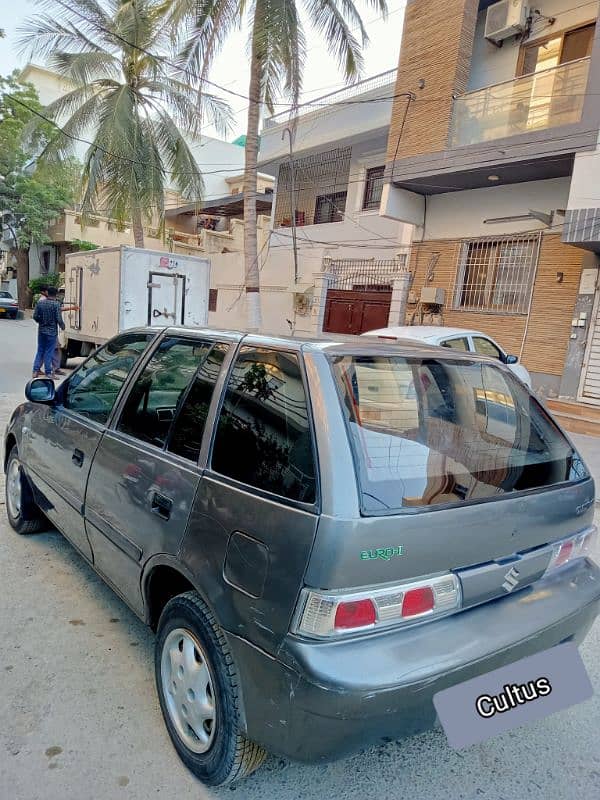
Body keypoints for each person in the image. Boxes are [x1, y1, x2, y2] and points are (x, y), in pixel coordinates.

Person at [32, 285, 65, 379]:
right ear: (56, 294)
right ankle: (48, 372)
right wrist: (62, 326)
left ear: (47, 293)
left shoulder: (40, 303)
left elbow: (35, 317)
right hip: (51, 332)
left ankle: (35, 371)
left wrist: (41, 321)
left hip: (41, 331)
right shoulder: (56, 304)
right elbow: (59, 319)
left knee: (40, 351)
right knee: (49, 352)